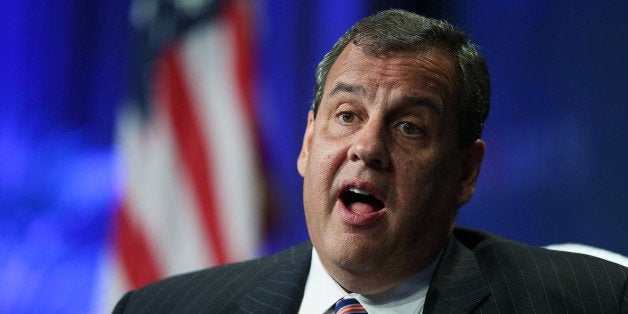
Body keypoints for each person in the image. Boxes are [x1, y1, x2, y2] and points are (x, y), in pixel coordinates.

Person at [113, 9, 628, 313]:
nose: (368, 147)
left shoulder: (594, 303)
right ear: (308, 143)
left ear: (466, 172)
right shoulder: (163, 310)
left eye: (409, 127)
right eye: (346, 115)